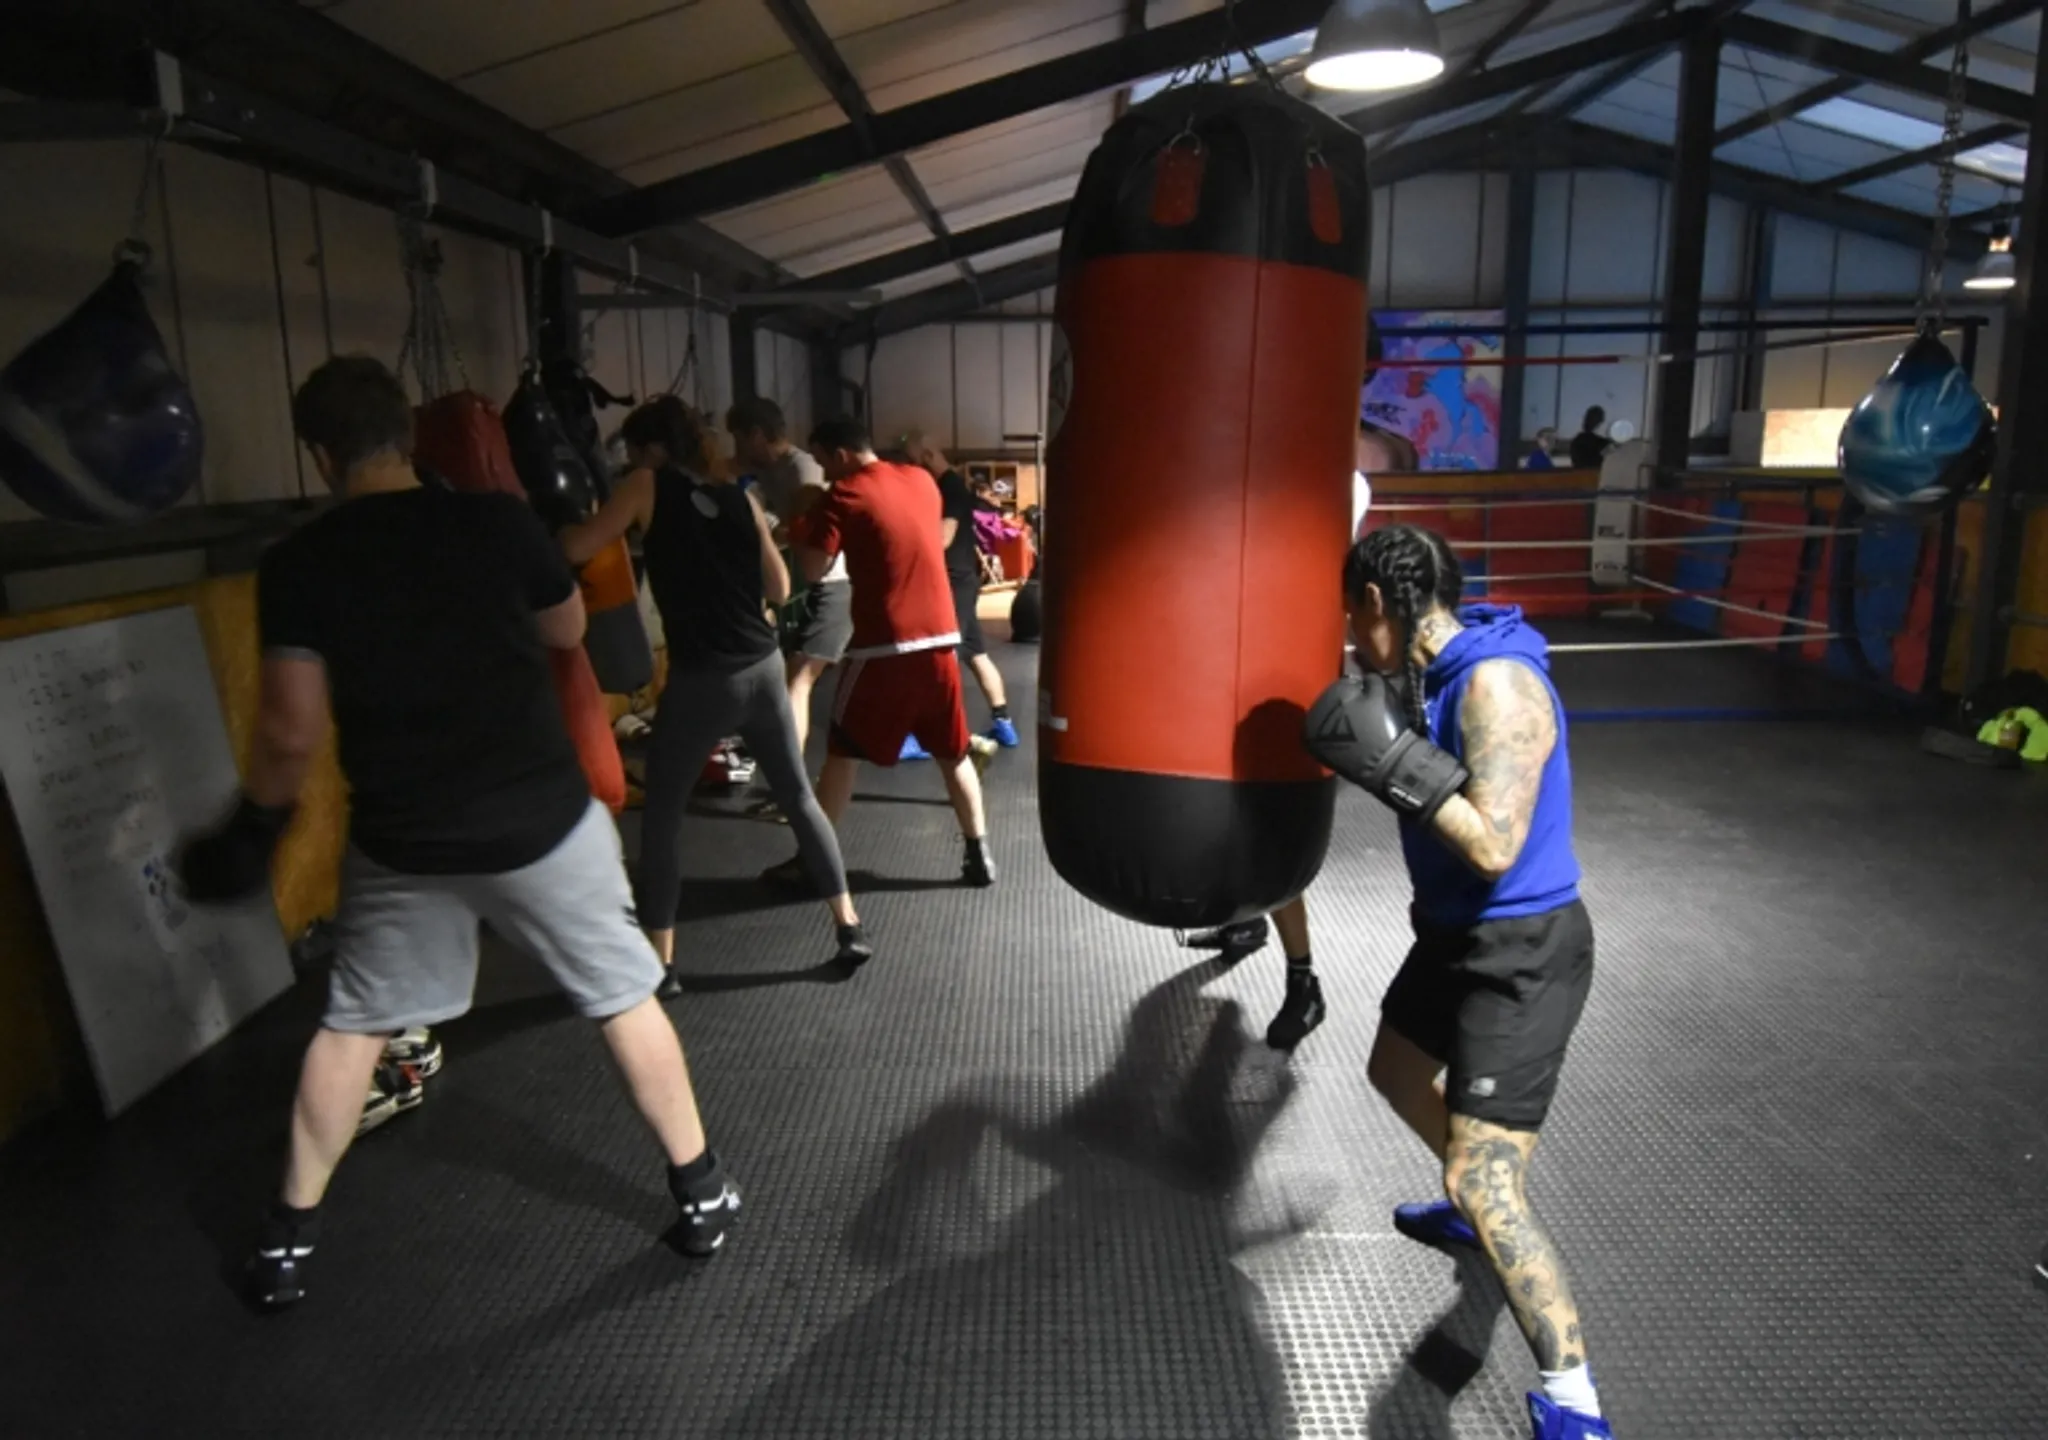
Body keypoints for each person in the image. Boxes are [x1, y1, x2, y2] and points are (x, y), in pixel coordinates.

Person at [179, 357, 739, 1310]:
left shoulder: (302, 564)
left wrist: (257, 825)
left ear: (321, 454)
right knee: (623, 998)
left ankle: (287, 1240)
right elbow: (568, 632)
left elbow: (289, 731)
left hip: (404, 837)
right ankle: (702, 1188)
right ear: (407, 434)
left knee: (353, 1023)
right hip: (541, 822)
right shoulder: (495, 521)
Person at [1304, 524, 1609, 1440]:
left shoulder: (1495, 684)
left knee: (1488, 1180)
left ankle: (1574, 1398)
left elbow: (1496, 846)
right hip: (1452, 936)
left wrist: (1392, 764)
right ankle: (1474, 1199)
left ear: (1374, 604)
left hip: (1520, 951)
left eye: (1353, 620)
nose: (1353, 643)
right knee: (1394, 1070)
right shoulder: (1430, 672)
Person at [560, 396, 871, 979]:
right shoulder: (740, 495)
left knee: (662, 819)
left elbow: (576, 548)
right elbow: (780, 588)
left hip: (702, 680)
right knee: (800, 798)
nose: (631, 461)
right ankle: (848, 925)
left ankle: (663, 963)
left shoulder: (645, 485)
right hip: (761, 669)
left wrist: (542, 532)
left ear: (652, 449)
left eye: (633, 450)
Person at [774, 416, 997, 888]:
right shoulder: (920, 479)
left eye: (821, 461)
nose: (822, 471)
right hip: (940, 641)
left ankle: (814, 861)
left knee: (842, 752)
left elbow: (813, 571)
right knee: (953, 753)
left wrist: (802, 524)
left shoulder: (844, 494)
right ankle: (979, 856)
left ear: (839, 455)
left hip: (884, 648)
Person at [727, 397, 851, 762]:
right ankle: (783, 770)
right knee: (789, 679)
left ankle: (791, 783)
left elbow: (810, 535)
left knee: (799, 680)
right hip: (804, 583)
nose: (737, 449)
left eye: (739, 438)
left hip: (833, 582)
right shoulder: (765, 467)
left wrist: (761, 530)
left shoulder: (803, 470)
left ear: (757, 435)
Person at [900, 431, 1019, 749]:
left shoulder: (950, 487)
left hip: (955, 585)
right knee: (977, 655)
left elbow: (942, 540)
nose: (908, 464)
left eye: (912, 456)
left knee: (941, 660)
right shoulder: (943, 487)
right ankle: (1003, 723)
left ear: (926, 456)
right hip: (961, 582)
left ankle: (929, 735)